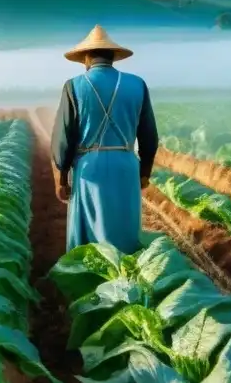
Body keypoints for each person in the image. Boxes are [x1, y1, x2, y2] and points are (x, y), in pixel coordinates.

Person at [51, 25, 159, 253]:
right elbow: (149, 136)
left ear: (86, 57)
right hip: (126, 164)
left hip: (90, 166)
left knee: (89, 233)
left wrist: (62, 178)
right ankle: (126, 277)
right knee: (124, 228)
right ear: (113, 57)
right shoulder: (137, 84)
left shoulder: (74, 86)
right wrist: (144, 173)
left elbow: (65, 136)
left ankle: (90, 278)